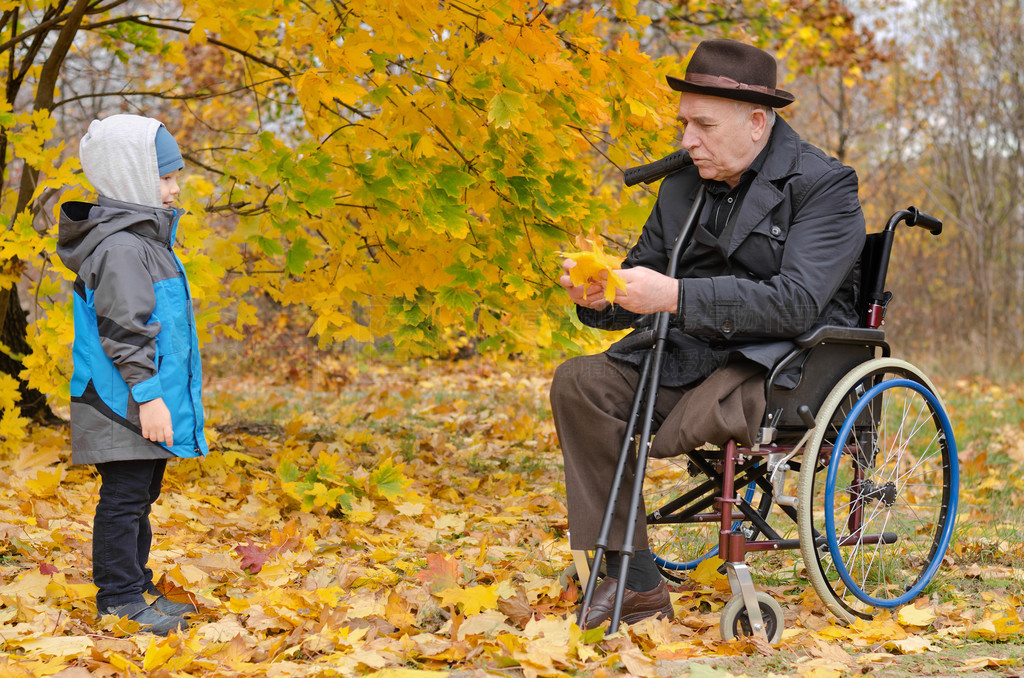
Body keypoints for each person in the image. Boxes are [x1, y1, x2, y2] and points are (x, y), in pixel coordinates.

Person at [550, 39, 865, 629]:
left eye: (702, 125)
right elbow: (642, 279)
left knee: (691, 405)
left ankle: (626, 575)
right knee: (580, 383)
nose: (686, 140)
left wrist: (673, 296)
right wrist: (602, 296)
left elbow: (797, 304)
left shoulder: (825, 187)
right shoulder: (682, 183)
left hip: (776, 367)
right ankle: (634, 579)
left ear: (755, 122)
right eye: (683, 124)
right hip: (683, 356)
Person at [57, 114, 208, 636]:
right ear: (132, 177)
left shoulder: (144, 240)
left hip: (138, 398)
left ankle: (135, 586)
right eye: (165, 177)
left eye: (174, 176)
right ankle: (119, 599)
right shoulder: (123, 247)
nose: (174, 187)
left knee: (141, 495)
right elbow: (125, 331)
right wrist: (149, 397)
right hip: (122, 401)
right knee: (124, 498)